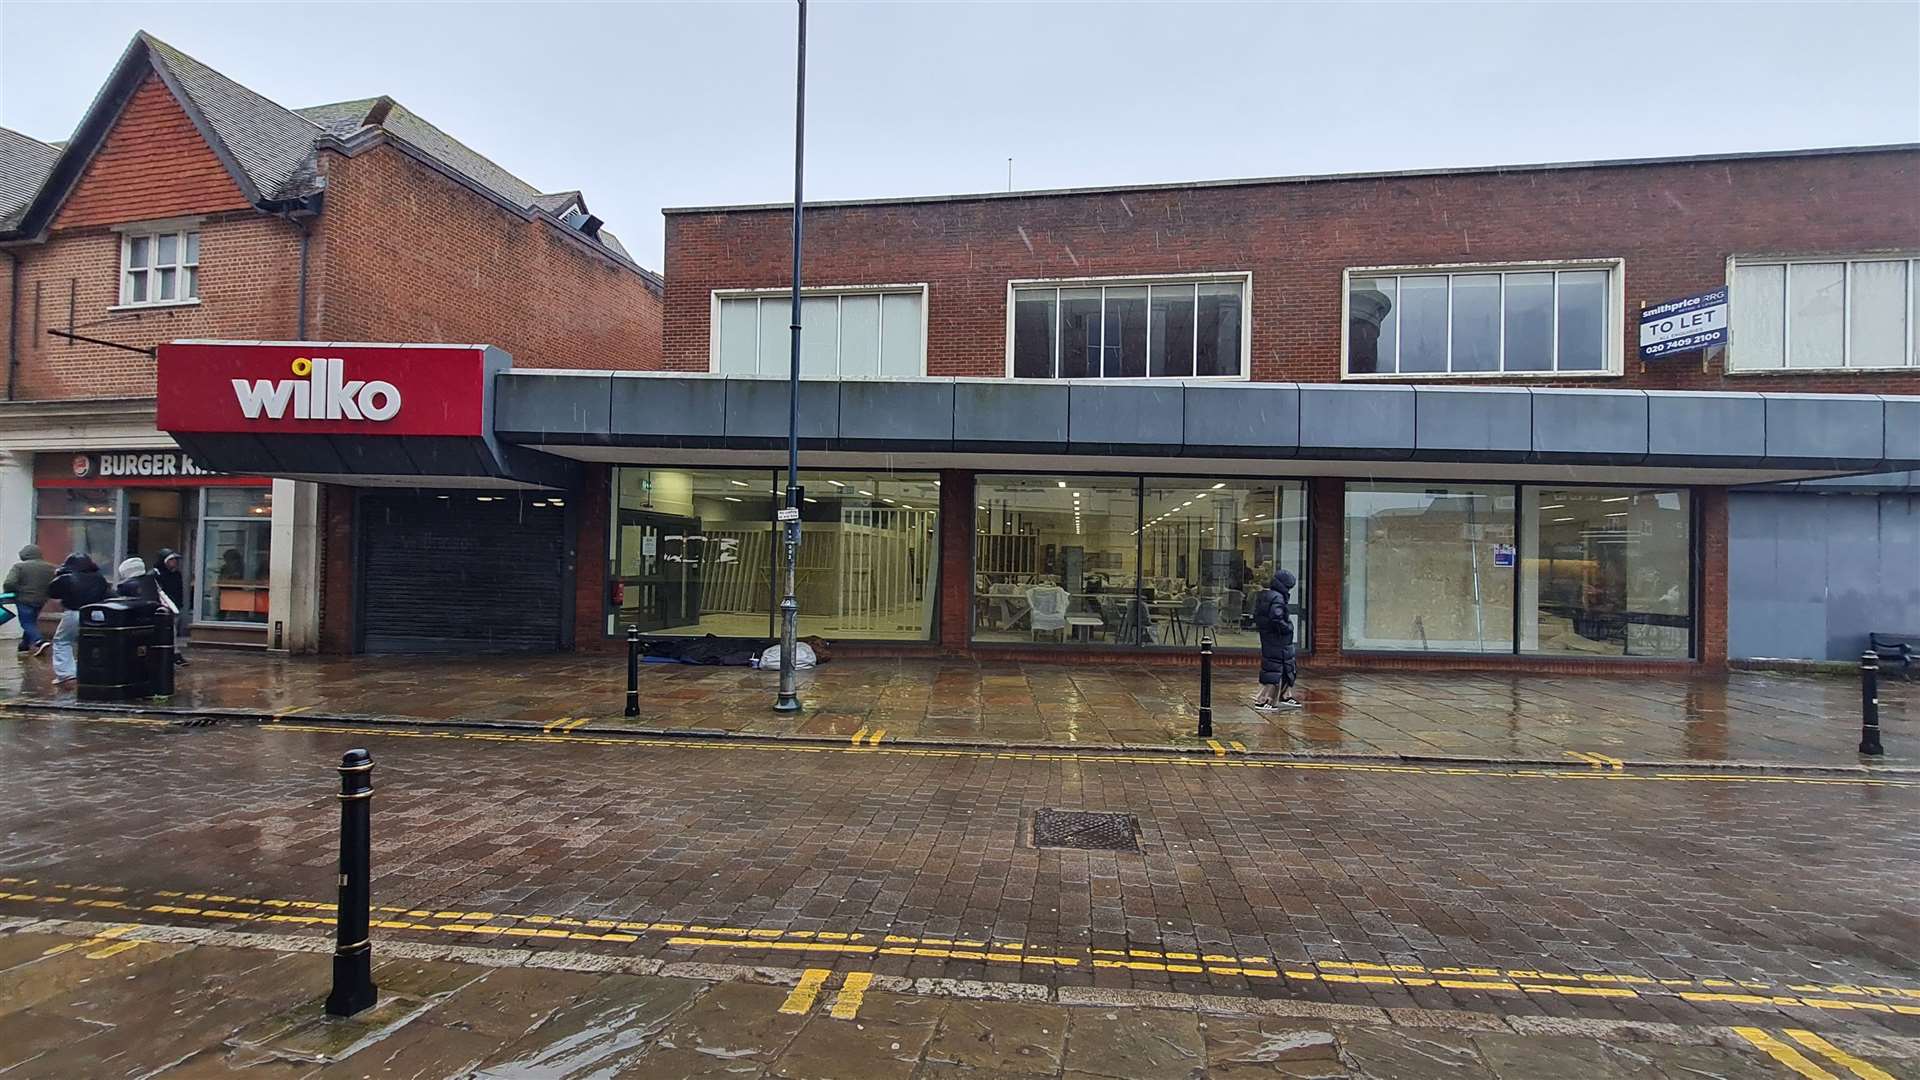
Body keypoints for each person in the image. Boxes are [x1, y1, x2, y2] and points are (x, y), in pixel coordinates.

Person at [45, 553, 109, 685]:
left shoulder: (66, 578)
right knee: (91, 642)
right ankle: (91, 671)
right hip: (96, 613)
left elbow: (52, 592)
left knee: (62, 641)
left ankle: (66, 674)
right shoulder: (99, 578)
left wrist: (58, 575)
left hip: (74, 612)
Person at [1252, 569, 1300, 711]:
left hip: (1269, 637)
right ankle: (1265, 699)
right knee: (1278, 666)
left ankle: (1284, 695)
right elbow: (1276, 618)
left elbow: (1259, 616)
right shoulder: (1278, 598)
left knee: (1277, 665)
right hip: (1279, 639)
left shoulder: (1265, 595)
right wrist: (1287, 628)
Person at [4, 544, 56, 657]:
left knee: (26, 622)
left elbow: (9, 583)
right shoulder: (51, 567)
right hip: (41, 599)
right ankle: (24, 645)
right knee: (31, 621)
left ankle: (39, 641)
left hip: (24, 598)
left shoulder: (19, 567)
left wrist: (11, 591)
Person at [154, 549, 190, 666]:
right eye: (171, 560)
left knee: (173, 632)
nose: (174, 562)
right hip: (163, 608)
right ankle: (173, 654)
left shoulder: (176, 574)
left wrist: (179, 605)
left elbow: (178, 591)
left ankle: (173, 653)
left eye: (175, 560)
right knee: (169, 632)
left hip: (175, 607)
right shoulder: (156, 574)